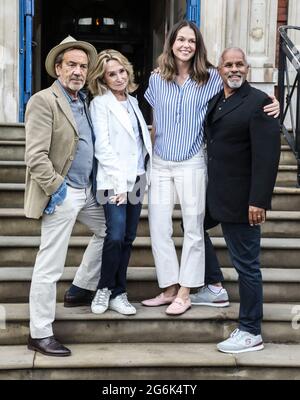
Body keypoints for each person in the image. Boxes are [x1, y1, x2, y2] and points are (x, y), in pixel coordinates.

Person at [141, 20, 279, 316]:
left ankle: (186, 290)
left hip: (192, 161)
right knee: (159, 228)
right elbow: (155, 124)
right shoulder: (156, 79)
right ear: (172, 43)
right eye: (180, 40)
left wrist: (272, 102)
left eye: (191, 41)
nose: (186, 45)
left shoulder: (211, 78)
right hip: (161, 164)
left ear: (198, 46)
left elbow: (240, 87)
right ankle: (168, 288)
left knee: (192, 229)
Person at [192, 47, 280, 353]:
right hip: (217, 194)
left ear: (247, 68)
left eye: (239, 64)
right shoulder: (217, 99)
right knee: (192, 227)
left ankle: (251, 329)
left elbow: (268, 158)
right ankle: (215, 284)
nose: (234, 68)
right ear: (220, 70)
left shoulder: (260, 103)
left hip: (244, 201)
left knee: (247, 267)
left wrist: (259, 201)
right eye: (228, 64)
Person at [24, 36, 106, 356]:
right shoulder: (43, 101)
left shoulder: (83, 100)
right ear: (58, 68)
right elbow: (35, 156)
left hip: (86, 191)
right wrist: (57, 189)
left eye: (83, 66)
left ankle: (80, 287)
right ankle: (40, 332)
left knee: (109, 231)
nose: (77, 70)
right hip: (62, 191)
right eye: (71, 64)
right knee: (50, 265)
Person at [87, 50, 152, 315]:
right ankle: (103, 289)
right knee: (113, 236)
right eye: (111, 74)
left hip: (137, 178)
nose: (118, 77)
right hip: (112, 181)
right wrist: (119, 186)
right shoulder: (99, 103)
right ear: (102, 78)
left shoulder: (133, 101)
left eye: (121, 71)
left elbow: (140, 143)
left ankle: (119, 292)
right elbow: (102, 147)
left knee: (128, 237)